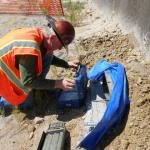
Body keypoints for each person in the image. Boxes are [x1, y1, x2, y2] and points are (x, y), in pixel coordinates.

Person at [0, 16, 79, 110]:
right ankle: (3, 102)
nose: (60, 48)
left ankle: (37, 87)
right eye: (61, 45)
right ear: (53, 37)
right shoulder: (30, 49)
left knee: (48, 54)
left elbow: (46, 56)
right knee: (26, 104)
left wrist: (66, 64)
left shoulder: (39, 37)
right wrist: (58, 83)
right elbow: (28, 81)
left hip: (10, 66)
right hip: (4, 81)